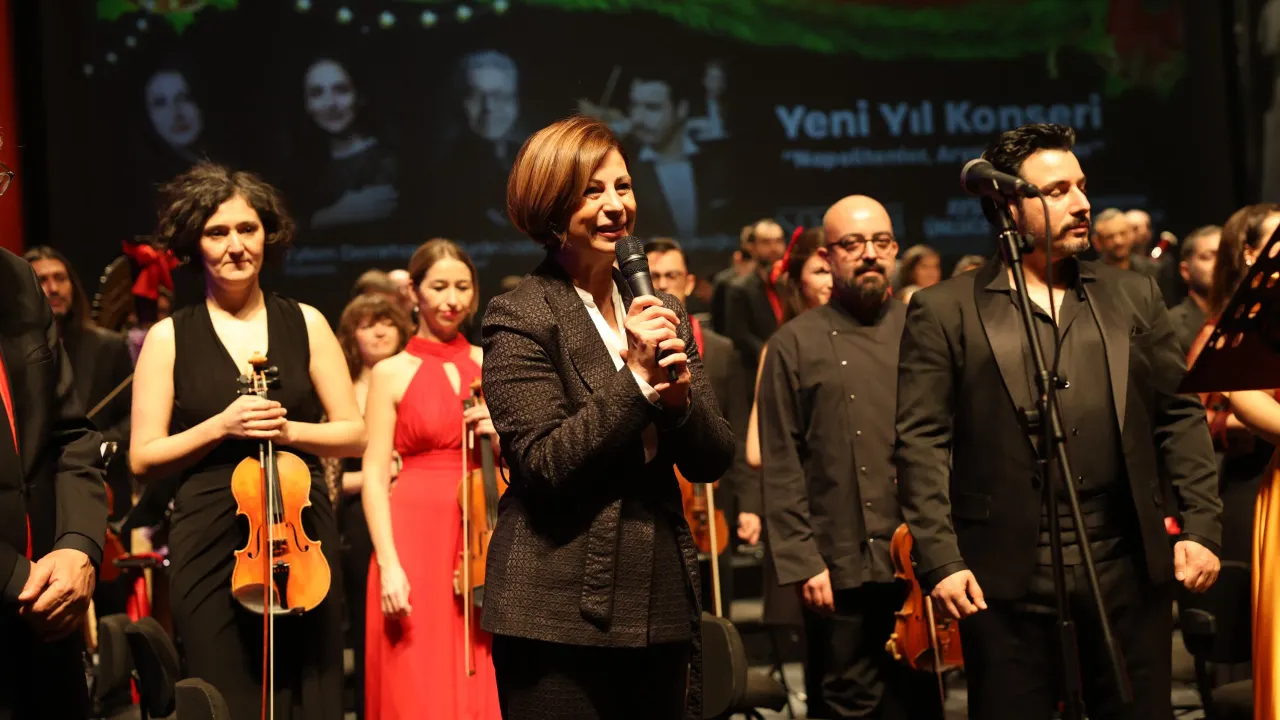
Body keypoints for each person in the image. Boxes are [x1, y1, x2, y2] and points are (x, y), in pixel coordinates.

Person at [894, 123, 1222, 720]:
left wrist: (1201, 527)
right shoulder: (944, 309)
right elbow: (921, 441)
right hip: (1004, 580)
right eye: (1057, 190)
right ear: (1008, 208)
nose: (1082, 203)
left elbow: (1178, 415)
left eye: (1082, 186)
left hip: (1127, 567)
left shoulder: (1133, 295)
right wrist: (940, 558)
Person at [480, 115, 733, 719]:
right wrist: (638, 379)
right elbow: (544, 463)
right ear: (550, 209)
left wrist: (679, 402)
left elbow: (712, 458)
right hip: (554, 602)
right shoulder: (519, 315)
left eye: (623, 186)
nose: (616, 205)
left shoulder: (659, 306)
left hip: (659, 594)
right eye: (592, 192)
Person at [128, 163, 365, 720]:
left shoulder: (306, 322)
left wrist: (289, 431)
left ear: (268, 235)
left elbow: (354, 433)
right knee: (223, 690)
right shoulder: (168, 337)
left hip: (299, 530)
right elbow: (142, 457)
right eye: (218, 232)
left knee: (311, 691)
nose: (235, 245)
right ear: (195, 244)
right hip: (210, 533)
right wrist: (220, 426)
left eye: (248, 229)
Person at [760, 197, 940, 720]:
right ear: (828, 255)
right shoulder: (793, 343)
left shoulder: (923, 328)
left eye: (880, 242)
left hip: (917, 561)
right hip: (836, 564)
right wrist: (802, 560)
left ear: (895, 250)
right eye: (853, 244)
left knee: (920, 703)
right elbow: (782, 460)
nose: (869, 254)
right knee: (847, 703)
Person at [361, 239, 500, 719]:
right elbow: (374, 475)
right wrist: (389, 563)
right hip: (412, 539)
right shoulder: (390, 372)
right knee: (416, 680)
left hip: (481, 535)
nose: (451, 300)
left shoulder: (492, 362)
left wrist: (501, 433)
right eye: (439, 287)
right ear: (413, 292)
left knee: (484, 669)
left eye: (462, 287)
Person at [0, 152, 108, 720]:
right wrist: (20, 580)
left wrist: (78, 545)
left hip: (51, 613)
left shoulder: (19, 278)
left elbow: (70, 434)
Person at [644, 236, 748, 609]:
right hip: (661, 499)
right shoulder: (631, 346)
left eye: (672, 276)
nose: (663, 285)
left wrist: (748, 504)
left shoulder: (721, 348)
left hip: (714, 497)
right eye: (654, 277)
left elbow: (737, 423)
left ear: (688, 282)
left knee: (719, 604)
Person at [330, 292, 413, 720]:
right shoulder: (339, 394)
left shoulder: (413, 379)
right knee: (369, 626)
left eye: (388, 322)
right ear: (351, 335)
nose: (380, 332)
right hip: (359, 522)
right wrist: (375, 476)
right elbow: (324, 481)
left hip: (417, 513)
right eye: (368, 325)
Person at [293, 58, 399, 230]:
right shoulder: (299, 165)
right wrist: (329, 217)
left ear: (359, 97)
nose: (330, 104)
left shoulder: (386, 161)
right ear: (306, 104)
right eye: (317, 93)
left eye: (341, 90)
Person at [723, 218, 787, 383]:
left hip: (791, 360)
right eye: (766, 242)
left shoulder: (791, 285)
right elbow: (738, 333)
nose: (774, 248)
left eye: (778, 241)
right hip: (756, 370)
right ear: (752, 247)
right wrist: (769, 353)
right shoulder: (739, 288)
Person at [1167, 225, 1221, 354]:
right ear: (1185, 270)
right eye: (1208, 257)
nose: (1220, 263)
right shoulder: (1169, 327)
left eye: (1225, 255)